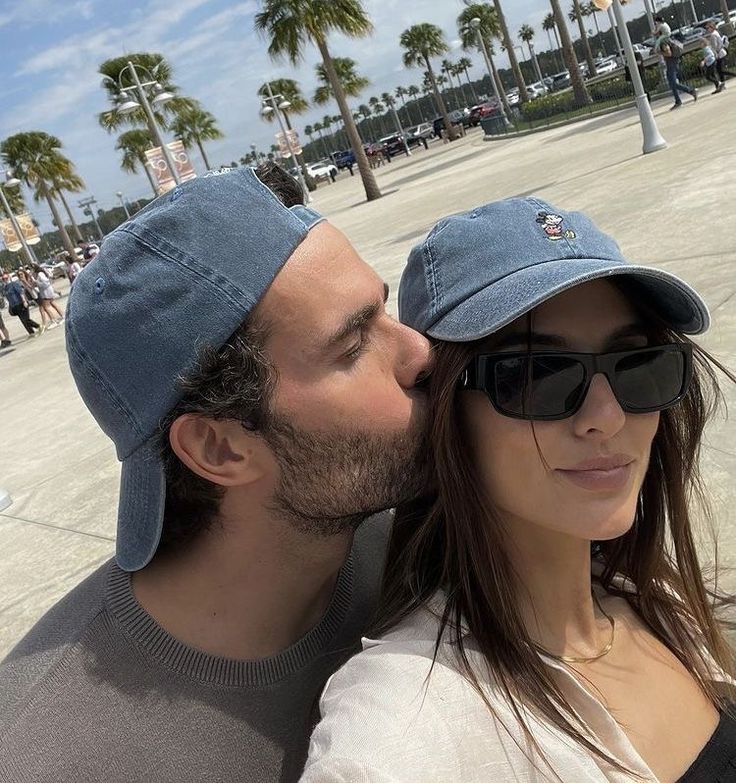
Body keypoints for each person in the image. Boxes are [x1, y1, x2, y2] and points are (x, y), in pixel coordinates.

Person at [0, 163, 431, 783]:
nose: (420, 350)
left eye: (382, 312)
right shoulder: (50, 756)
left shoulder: (403, 533)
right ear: (220, 448)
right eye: (354, 345)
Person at [301, 199, 736, 783]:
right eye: (538, 377)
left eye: (639, 365)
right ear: (446, 412)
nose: (606, 417)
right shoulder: (406, 722)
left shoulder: (650, 596)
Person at [661, 38, 698, 109]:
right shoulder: (669, 40)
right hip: (672, 65)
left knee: (674, 84)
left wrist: (660, 53)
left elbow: (669, 53)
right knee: (672, 85)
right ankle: (678, 101)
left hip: (672, 66)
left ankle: (691, 90)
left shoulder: (664, 42)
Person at [1, 272, 40, 337]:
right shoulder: (5, 288)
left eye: (6, 278)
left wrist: (24, 301)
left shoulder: (14, 284)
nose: (5, 280)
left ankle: (38, 326)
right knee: (23, 320)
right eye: (3, 279)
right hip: (14, 306)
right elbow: (8, 298)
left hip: (21, 303)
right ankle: (31, 333)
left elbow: (21, 293)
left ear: (9, 277)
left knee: (26, 319)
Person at [31, 262, 64, 328]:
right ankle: (63, 315)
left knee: (45, 307)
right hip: (46, 290)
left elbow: (45, 283)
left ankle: (53, 320)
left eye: (31, 268)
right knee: (53, 303)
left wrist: (36, 282)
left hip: (46, 291)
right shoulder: (39, 273)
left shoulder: (40, 274)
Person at [705, 21, 735, 86]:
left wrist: (712, 50)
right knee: (720, 71)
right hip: (721, 53)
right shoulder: (716, 33)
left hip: (719, 54)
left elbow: (715, 46)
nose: (707, 30)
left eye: (708, 28)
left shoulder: (713, 35)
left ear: (711, 27)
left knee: (720, 71)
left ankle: (734, 74)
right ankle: (722, 84)